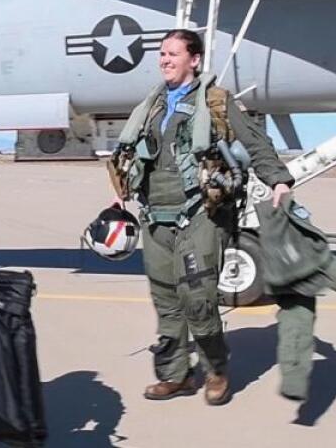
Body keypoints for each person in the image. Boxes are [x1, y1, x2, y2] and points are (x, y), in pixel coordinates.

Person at [109, 29, 294, 406]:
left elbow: (256, 142)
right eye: (162, 53)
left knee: (198, 299)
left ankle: (216, 370)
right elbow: (135, 154)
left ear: (194, 60)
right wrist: (123, 190)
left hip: (200, 214)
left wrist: (278, 180)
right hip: (154, 216)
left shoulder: (216, 102)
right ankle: (175, 375)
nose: (164, 59)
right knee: (166, 301)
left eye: (173, 53)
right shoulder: (153, 105)